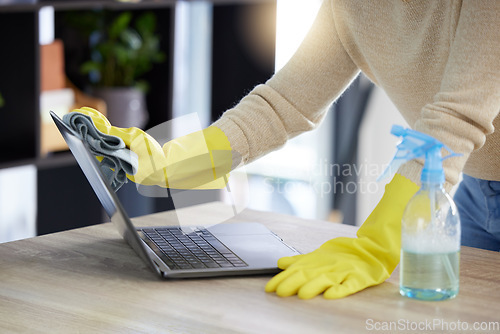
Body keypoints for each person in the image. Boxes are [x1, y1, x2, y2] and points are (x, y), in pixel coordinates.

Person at [77, 0, 500, 299]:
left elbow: (456, 118)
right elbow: (286, 103)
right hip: (475, 194)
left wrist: (378, 241)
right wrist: (179, 160)